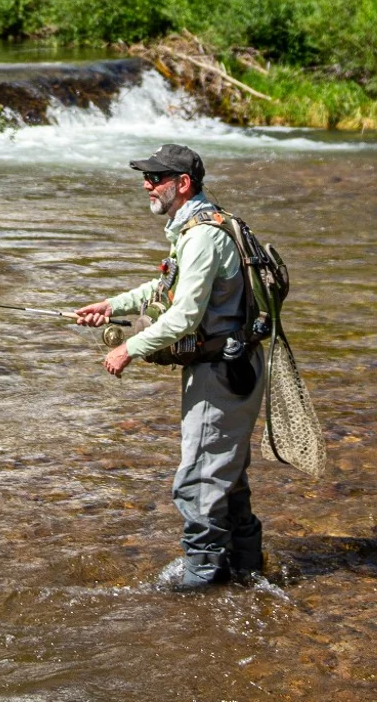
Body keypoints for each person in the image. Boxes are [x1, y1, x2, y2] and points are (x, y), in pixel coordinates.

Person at [73, 141, 264, 590]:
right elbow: (165, 288)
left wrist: (129, 348)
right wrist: (111, 304)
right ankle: (248, 575)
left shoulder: (203, 235)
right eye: (147, 176)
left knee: (198, 481)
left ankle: (202, 588)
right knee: (226, 477)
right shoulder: (203, 224)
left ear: (183, 184)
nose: (146, 184)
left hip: (221, 372)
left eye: (155, 178)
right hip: (231, 365)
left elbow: (184, 317)